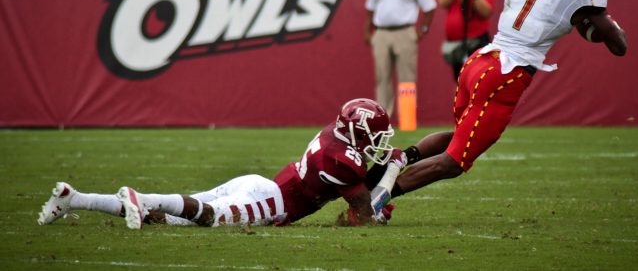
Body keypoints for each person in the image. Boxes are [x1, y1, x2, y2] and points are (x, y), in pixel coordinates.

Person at [381, 0, 627, 200]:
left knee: (459, 136)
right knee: (453, 162)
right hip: (505, 75)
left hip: (479, 62)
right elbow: (619, 47)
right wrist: (608, 29)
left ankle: (399, 159)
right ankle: (378, 197)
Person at [38, 99, 408, 229]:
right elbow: (366, 215)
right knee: (208, 216)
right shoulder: (342, 159)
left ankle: (76, 198)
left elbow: (358, 186)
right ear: (357, 130)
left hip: (259, 185)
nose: (379, 143)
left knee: (169, 218)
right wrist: (395, 167)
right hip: (270, 202)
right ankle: (140, 197)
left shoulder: (335, 135)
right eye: (376, 135)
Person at [365, 0, 436, 117]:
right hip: (381, 31)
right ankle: (382, 119)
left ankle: (407, 118)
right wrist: (367, 31)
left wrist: (423, 29)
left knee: (407, 78)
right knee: (382, 78)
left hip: (405, 30)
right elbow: (370, 7)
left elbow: (429, 6)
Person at [438, 0, 496, 80]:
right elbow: (442, 1)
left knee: (476, 77)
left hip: (477, 41)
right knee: (459, 79)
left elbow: (486, 12)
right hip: (458, 45)